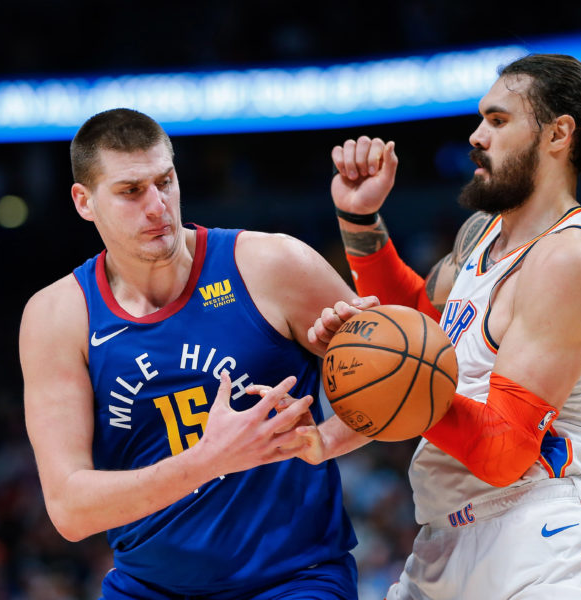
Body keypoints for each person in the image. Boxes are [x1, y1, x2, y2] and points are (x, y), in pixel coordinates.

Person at [300, 54, 581, 599]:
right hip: (445, 538)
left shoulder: (569, 259)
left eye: (498, 119)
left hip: (540, 537)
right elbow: (420, 322)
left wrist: (389, 375)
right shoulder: (482, 235)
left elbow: (505, 450)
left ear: (559, 134)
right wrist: (359, 220)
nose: (476, 135)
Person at [18, 108, 362, 599]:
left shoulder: (271, 265)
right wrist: (208, 460)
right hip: (148, 588)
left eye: (165, 181)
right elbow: (71, 510)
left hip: (294, 580)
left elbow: (405, 385)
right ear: (84, 201)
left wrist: (326, 439)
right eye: (131, 191)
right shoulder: (58, 317)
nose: (157, 206)